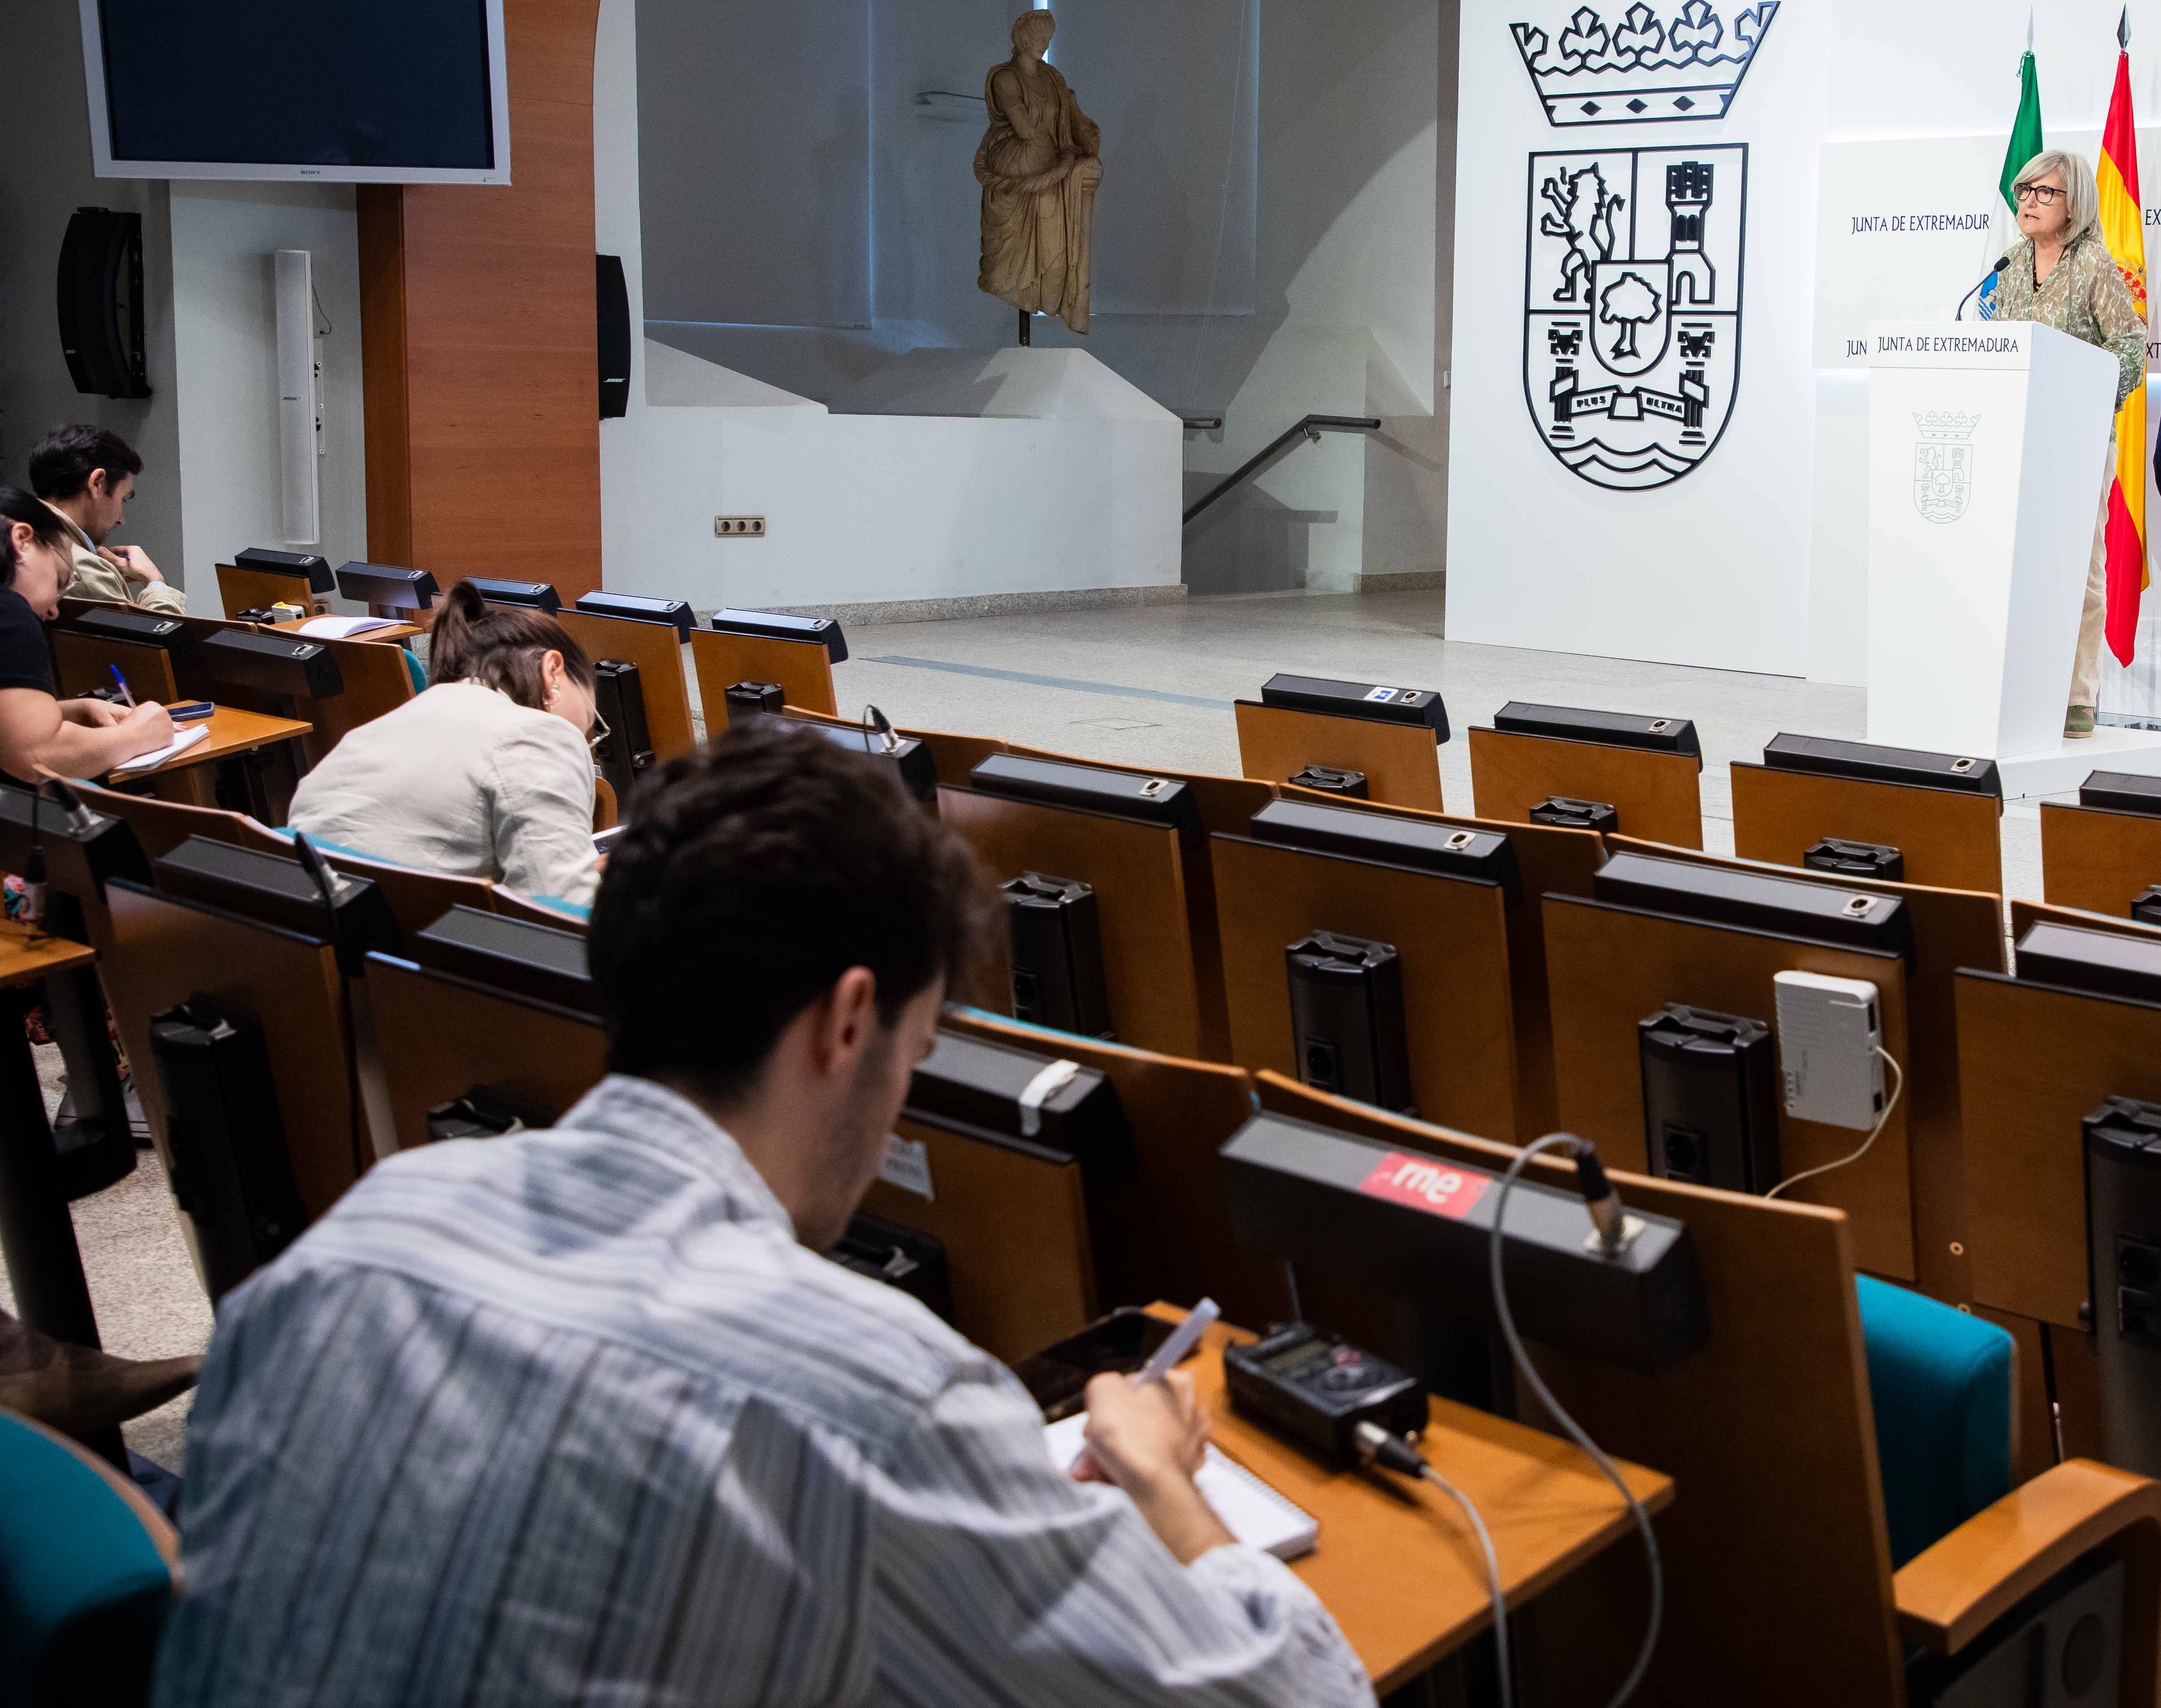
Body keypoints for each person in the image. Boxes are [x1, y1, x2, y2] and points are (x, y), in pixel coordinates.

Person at [152, 728, 1372, 1706]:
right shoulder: (871, 1395)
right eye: (917, 1045)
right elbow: (1293, 1692)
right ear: (850, 1022)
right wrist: (1164, 1480)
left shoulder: (360, 1234)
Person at [286, 578, 604, 910]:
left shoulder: (376, 732)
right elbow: (560, 913)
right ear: (553, 672)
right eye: (590, 721)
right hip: (409, 945)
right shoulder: (542, 734)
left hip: (315, 937)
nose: (584, 737)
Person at [1984, 149, 2147, 739]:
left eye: (2043, 192)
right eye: (2024, 190)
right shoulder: (2007, 263)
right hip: (2014, 436)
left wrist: (2094, 400)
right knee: (2015, 565)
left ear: (2073, 203)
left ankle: (2078, 696)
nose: (2028, 200)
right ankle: (2018, 684)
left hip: (2076, 441)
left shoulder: (2096, 267)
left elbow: (2130, 345)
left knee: (2080, 569)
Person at [0, 489, 175, 781]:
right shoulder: (11, 612)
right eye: (59, 581)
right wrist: (137, 735)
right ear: (22, 540)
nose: (54, 610)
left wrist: (69, 711)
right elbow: (38, 755)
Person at [975, 8, 1102, 338]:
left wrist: (1071, 117)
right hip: (1018, 170)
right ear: (1022, 38)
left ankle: (1046, 292)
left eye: (1048, 39)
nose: (1043, 44)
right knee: (1010, 267)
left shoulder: (1052, 78)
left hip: (1049, 171)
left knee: (1052, 249)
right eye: (1038, 38)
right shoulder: (1006, 79)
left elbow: (1066, 121)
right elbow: (1025, 129)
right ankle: (1020, 287)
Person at [25, 424, 186, 616]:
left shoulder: (17, 535)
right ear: (97, 484)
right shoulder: (82, 568)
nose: (121, 519)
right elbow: (154, 642)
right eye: (123, 499)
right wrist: (154, 580)